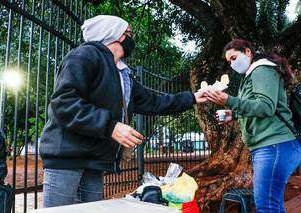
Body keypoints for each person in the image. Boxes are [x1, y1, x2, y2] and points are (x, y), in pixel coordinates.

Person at [39, 15, 207, 208]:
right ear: (117, 36)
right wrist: (110, 126)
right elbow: (64, 102)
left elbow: (154, 101)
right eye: (129, 33)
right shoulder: (84, 56)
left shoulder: (122, 73)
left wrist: (193, 98)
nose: (132, 38)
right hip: (66, 159)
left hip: (94, 161)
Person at [206, 39, 301, 212]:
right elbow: (255, 106)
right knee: (273, 205)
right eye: (229, 62)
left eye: (234, 57)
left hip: (274, 145)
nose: (233, 64)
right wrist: (232, 114)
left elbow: (265, 107)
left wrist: (229, 100)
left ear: (248, 52)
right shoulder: (251, 74)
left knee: (266, 206)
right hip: (268, 146)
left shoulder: (261, 70)